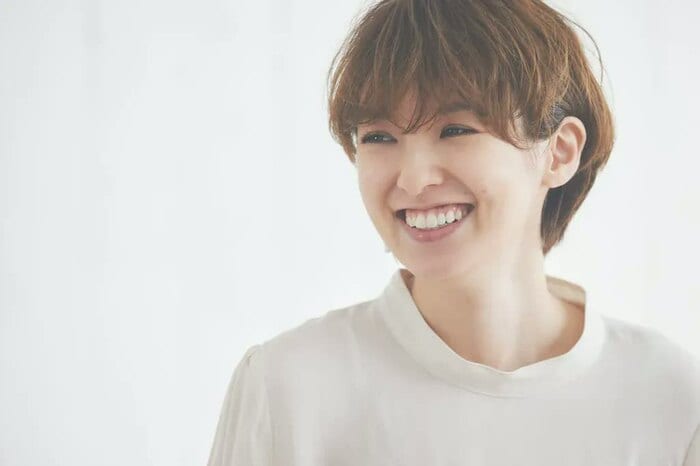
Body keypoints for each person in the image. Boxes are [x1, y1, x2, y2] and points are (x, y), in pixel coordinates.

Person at [206, 0, 700, 464]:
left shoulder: (670, 398)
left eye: (456, 130)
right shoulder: (287, 389)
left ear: (560, 151)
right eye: (379, 137)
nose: (413, 179)